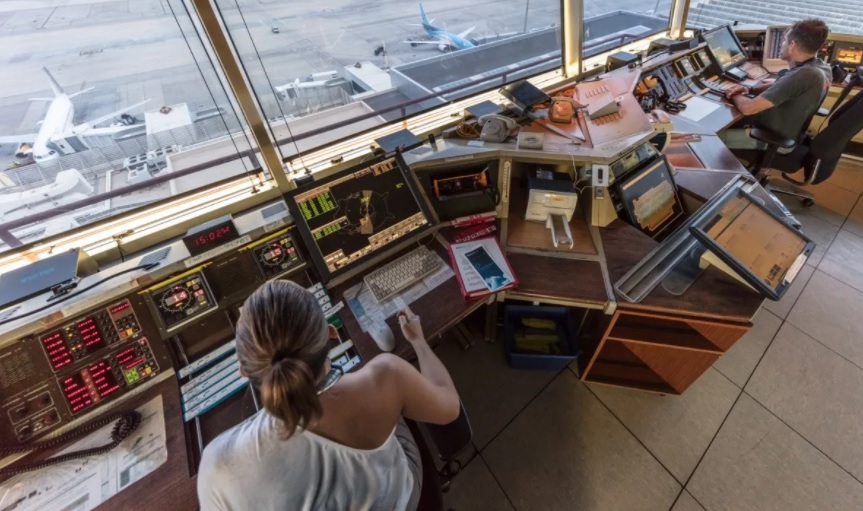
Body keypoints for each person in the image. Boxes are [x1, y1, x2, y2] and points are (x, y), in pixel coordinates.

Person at [197, 280, 461, 510]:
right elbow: (450, 408)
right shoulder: (386, 375)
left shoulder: (216, 464)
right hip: (402, 500)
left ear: (244, 371)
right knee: (393, 397)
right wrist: (419, 343)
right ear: (331, 334)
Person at [719, 19, 832, 154]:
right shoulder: (821, 68)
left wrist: (733, 92)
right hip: (785, 132)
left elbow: (747, 109)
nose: (781, 45)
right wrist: (749, 89)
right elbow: (784, 87)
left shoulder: (804, 75)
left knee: (705, 137)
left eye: (784, 41)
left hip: (770, 140)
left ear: (792, 45)